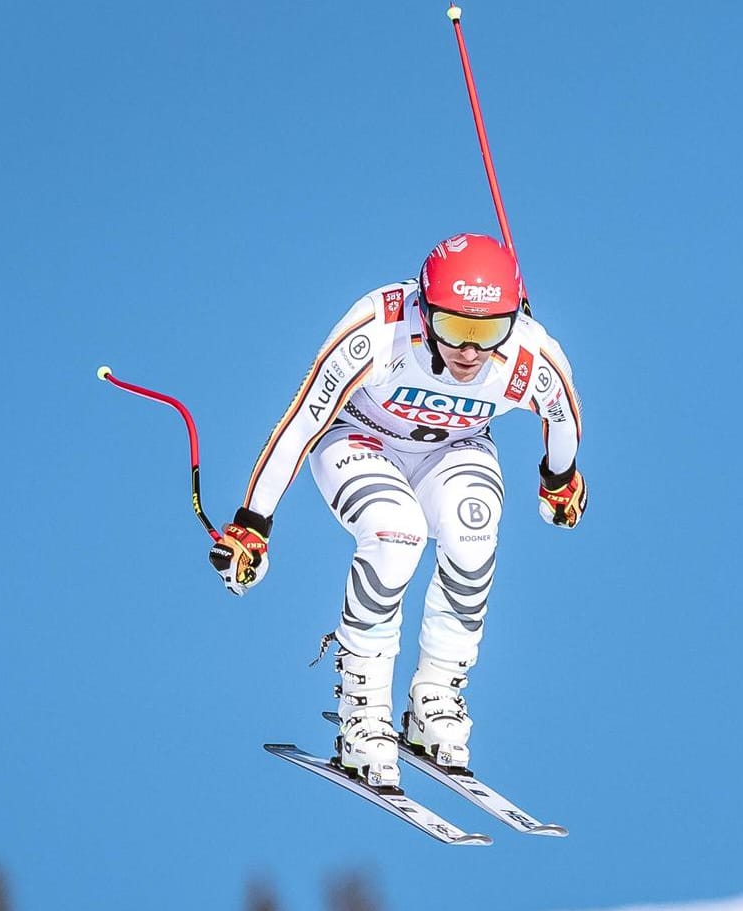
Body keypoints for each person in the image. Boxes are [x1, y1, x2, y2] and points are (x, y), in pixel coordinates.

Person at [206, 233, 586, 787]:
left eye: (488, 332)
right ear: (425, 308)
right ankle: (364, 715)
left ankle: (435, 701)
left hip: (454, 446)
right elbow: (301, 422)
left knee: (473, 532)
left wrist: (559, 479)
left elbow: (564, 415)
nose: (470, 352)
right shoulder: (379, 333)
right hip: (360, 439)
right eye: (455, 328)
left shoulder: (526, 355)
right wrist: (253, 524)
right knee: (396, 534)